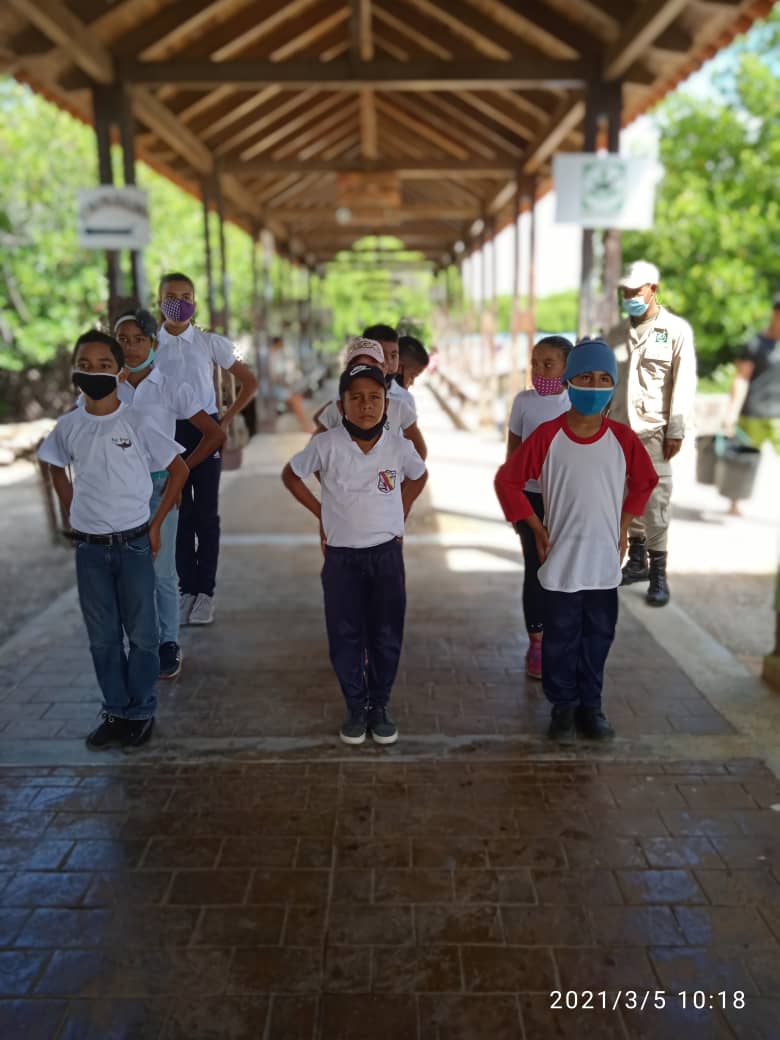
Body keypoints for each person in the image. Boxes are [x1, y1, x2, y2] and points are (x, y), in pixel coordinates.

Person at [495, 339, 658, 742]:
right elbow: (508, 481)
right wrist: (535, 527)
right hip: (562, 560)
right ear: (569, 381)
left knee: (599, 637)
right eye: (585, 377)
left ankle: (592, 707)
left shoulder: (622, 438)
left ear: (613, 385)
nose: (595, 385)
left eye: (604, 378)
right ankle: (563, 707)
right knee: (560, 638)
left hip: (603, 562)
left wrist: (624, 525)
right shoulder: (547, 436)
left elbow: (645, 481)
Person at [37, 331, 189, 750]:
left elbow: (178, 469)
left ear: (120, 372)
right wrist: (70, 507)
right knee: (102, 638)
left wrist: (156, 525)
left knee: (142, 635)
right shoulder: (69, 425)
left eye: (104, 365)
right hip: (89, 550)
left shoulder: (137, 421)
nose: (94, 372)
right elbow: (53, 464)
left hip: (134, 544)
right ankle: (115, 711)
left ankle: (141, 711)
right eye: (85, 364)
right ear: (74, 371)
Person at [281, 364, 427, 746]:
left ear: (386, 404)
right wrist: (321, 513)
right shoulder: (326, 445)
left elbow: (419, 474)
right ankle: (355, 706)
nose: (366, 406)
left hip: (386, 557)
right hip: (342, 558)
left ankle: (380, 705)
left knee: (385, 633)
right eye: (356, 398)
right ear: (342, 404)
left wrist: (401, 509)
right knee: (345, 634)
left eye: (375, 398)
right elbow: (292, 475)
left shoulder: (398, 446)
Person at [113, 309, 225, 679]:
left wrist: (181, 471)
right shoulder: (109, 389)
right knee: (128, 573)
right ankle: (139, 643)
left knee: (161, 572)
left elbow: (214, 433)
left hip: (159, 487)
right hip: (120, 491)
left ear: (152, 343)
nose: (131, 348)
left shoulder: (171, 387)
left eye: (138, 340)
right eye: (123, 340)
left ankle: (168, 643)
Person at [155, 272, 258, 626]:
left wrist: (225, 420)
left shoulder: (208, 342)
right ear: (159, 301)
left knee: (206, 515)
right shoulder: (151, 346)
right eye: (171, 296)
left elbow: (249, 381)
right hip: (167, 434)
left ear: (195, 302)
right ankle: (187, 589)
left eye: (186, 296)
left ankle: (206, 594)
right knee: (178, 512)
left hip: (206, 431)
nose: (179, 303)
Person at [604, 260, 697, 607]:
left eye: (636, 291)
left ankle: (659, 574)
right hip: (618, 431)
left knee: (656, 502)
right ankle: (637, 561)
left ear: (653, 289)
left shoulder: (674, 330)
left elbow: (684, 383)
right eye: (625, 291)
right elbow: (605, 383)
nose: (630, 296)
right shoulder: (614, 334)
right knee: (626, 497)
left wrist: (676, 429)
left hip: (655, 431)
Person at [505, 336, 572, 679]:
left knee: (565, 568)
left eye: (548, 364)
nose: (539, 371)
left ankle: (563, 639)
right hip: (530, 499)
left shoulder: (576, 401)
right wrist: (513, 500)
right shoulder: (523, 402)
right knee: (535, 566)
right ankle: (537, 642)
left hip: (566, 498)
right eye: (535, 363)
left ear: (567, 368)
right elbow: (513, 452)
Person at [724, 292, 780, 514]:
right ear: (775, 313)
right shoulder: (755, 344)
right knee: (741, 460)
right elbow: (741, 379)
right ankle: (734, 502)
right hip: (753, 413)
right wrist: (732, 413)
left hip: (778, 417)